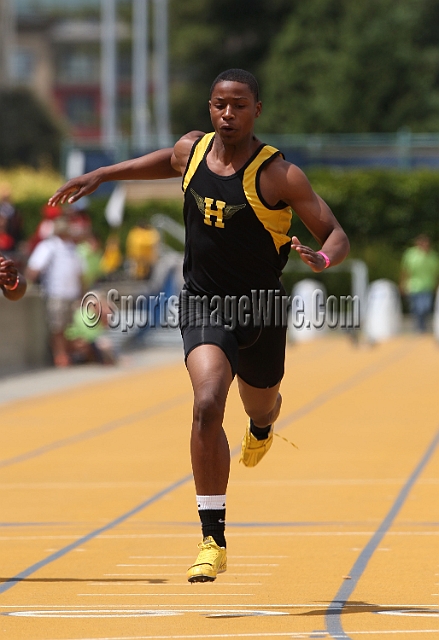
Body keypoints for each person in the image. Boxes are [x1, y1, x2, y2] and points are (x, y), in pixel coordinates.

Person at [48, 68, 350, 582]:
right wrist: (102, 174)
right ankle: (213, 537)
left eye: (238, 105)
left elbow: (334, 231)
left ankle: (262, 426)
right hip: (204, 303)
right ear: (209, 108)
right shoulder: (191, 151)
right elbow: (160, 163)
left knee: (262, 401)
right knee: (208, 401)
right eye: (218, 105)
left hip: (261, 308)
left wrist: (321, 258)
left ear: (257, 110)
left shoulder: (278, 174)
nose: (227, 114)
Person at [26, 216, 85, 367]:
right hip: (56, 292)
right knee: (57, 327)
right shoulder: (49, 246)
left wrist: (83, 293)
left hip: (72, 294)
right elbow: (34, 268)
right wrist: (25, 286)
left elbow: (80, 274)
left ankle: (70, 354)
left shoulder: (73, 248)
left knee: (70, 328)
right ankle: (61, 356)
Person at [400, 234, 439, 333]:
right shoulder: (410, 255)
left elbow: (436, 273)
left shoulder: (433, 257)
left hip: (427, 286)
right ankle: (420, 328)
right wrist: (402, 284)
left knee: (425, 307)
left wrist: (436, 286)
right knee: (416, 308)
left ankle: (421, 326)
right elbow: (405, 271)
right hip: (413, 286)